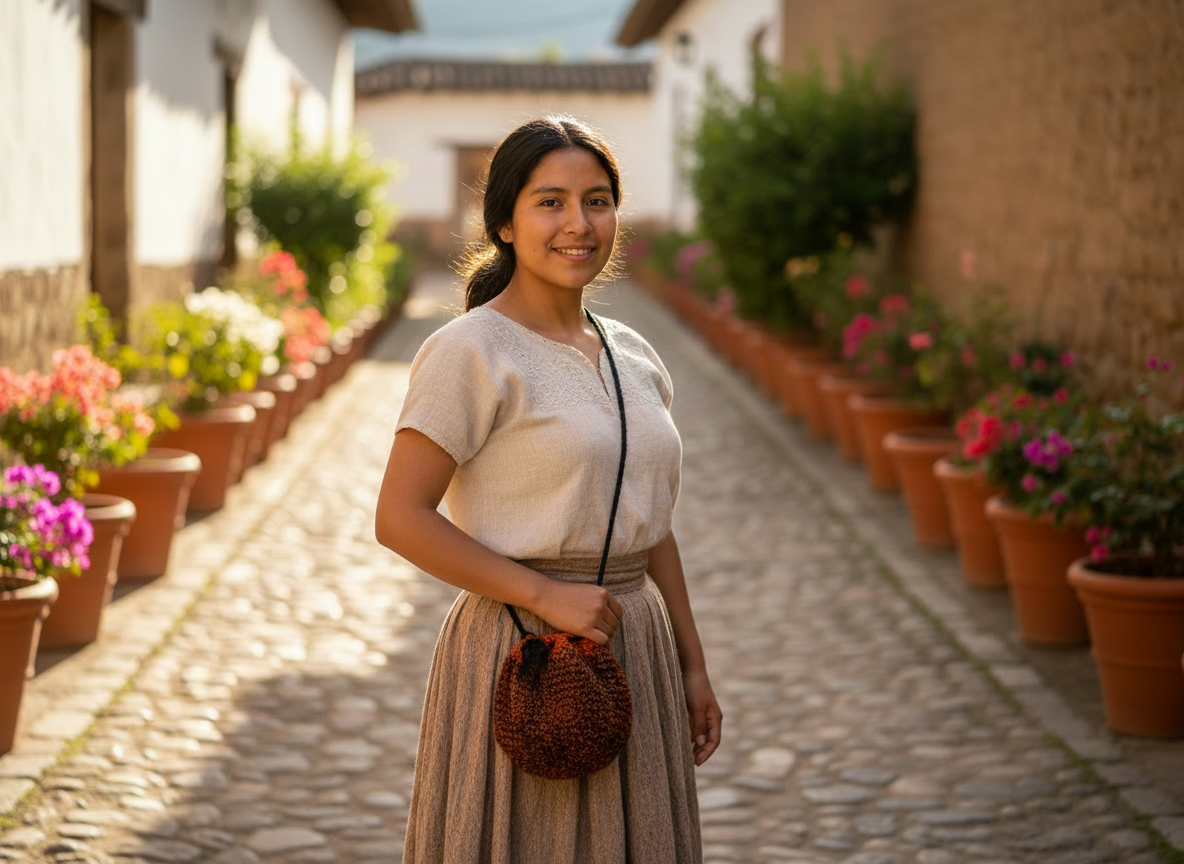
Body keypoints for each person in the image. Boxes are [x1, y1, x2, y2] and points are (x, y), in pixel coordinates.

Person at [374, 115, 721, 863]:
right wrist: (544, 595)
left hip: (636, 646)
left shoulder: (634, 354)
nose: (578, 224)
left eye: (597, 201)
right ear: (504, 223)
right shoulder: (469, 350)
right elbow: (399, 517)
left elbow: (650, 524)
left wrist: (692, 665)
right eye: (550, 202)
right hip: (521, 649)